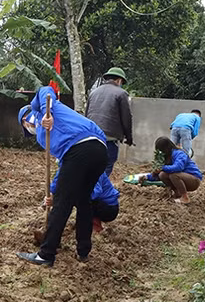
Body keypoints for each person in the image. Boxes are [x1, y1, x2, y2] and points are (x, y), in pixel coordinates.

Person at [16, 85, 107, 266]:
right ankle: (83, 251)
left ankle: (46, 254)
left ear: (26, 120)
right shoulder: (43, 136)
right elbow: (67, 165)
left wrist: (47, 113)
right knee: (83, 201)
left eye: (27, 125)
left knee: (62, 203)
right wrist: (52, 190)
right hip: (99, 151)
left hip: (81, 147)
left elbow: (45, 89)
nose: (30, 128)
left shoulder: (42, 108)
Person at [86, 67, 132, 176]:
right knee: (105, 167)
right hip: (109, 138)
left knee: (91, 167)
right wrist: (129, 138)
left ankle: (88, 190)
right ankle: (97, 191)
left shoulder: (94, 93)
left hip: (90, 136)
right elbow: (126, 117)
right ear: (119, 80)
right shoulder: (121, 93)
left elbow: (87, 113)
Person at [48, 171, 119, 233]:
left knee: (77, 200)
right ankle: (49, 227)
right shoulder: (67, 162)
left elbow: (95, 193)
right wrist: (51, 194)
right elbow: (58, 179)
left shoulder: (94, 167)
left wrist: (63, 198)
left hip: (109, 208)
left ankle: (95, 226)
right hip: (96, 202)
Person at [145, 137, 203, 204]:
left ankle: (185, 197)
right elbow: (160, 174)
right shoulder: (167, 157)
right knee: (162, 174)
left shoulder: (179, 154)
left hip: (194, 180)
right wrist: (147, 177)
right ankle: (177, 193)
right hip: (183, 178)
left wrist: (162, 167)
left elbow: (178, 167)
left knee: (174, 175)